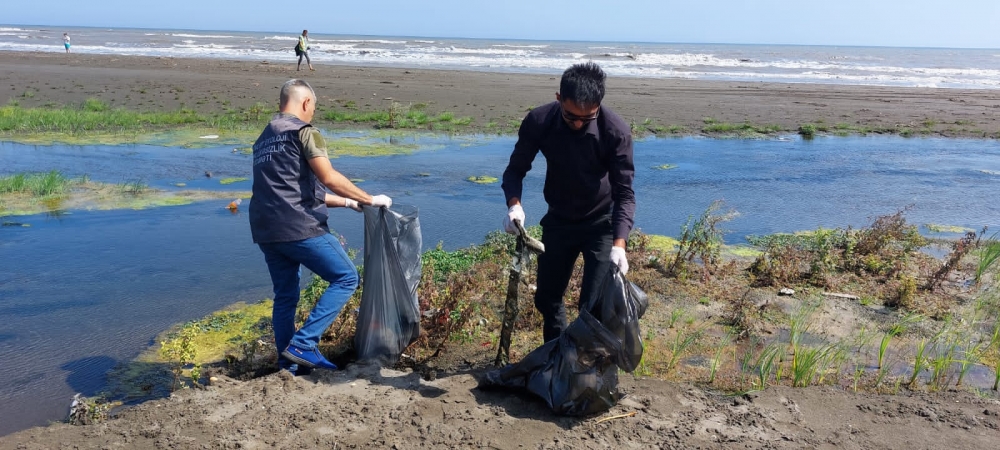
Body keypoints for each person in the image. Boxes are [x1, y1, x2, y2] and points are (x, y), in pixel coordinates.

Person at [250, 78, 392, 374]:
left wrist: (348, 203)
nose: (313, 113)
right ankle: (303, 343)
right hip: (299, 227)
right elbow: (327, 177)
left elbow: (293, 189)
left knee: (286, 296)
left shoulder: (263, 139)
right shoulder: (305, 131)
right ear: (305, 103)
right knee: (346, 277)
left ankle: (288, 363)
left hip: (267, 231)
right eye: (313, 107)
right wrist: (369, 198)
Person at [501, 62, 636, 343]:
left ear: (598, 106)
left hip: (600, 223)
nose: (577, 123)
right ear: (558, 98)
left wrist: (619, 245)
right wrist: (514, 205)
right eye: (570, 116)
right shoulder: (539, 121)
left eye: (586, 119)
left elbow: (624, 192)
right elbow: (515, 170)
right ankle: (556, 358)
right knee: (547, 299)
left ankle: (584, 370)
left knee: (592, 307)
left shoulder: (616, 132)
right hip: (559, 219)